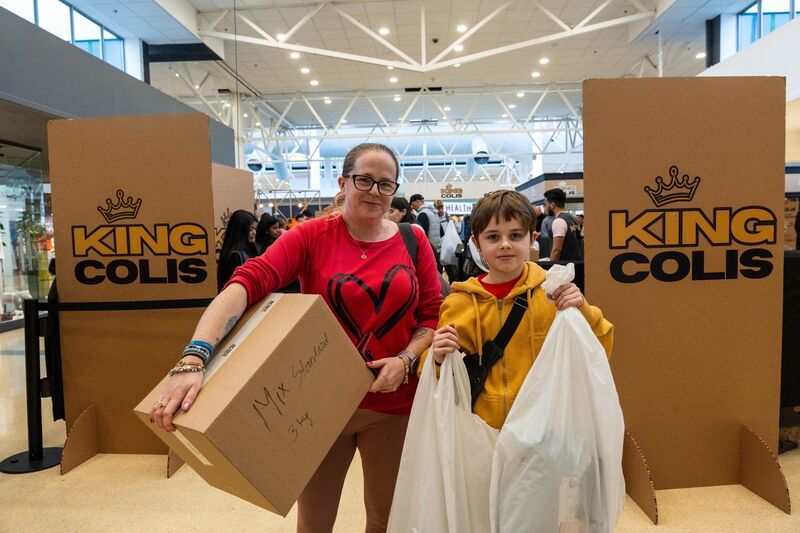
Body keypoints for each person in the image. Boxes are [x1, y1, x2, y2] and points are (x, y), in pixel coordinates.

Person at [150, 143, 443, 533]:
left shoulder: (413, 239)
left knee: (388, 519)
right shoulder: (312, 236)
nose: (374, 191)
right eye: (364, 180)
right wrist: (193, 358)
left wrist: (406, 359)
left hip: (395, 402)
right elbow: (247, 283)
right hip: (321, 407)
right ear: (343, 182)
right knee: (315, 521)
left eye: (385, 184)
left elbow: (431, 315)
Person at [421, 190, 613, 430]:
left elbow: (600, 346)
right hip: (482, 432)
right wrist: (437, 358)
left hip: (546, 431)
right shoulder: (459, 303)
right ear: (476, 243)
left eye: (515, 235)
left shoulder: (553, 292)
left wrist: (582, 308)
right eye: (492, 237)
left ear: (531, 238)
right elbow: (433, 377)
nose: (505, 245)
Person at [216, 210, 257, 292]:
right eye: (250, 229)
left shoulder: (248, 250)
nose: (254, 232)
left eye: (255, 229)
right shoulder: (234, 256)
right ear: (240, 230)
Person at [544, 188, 583, 262]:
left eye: (546, 205)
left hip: (564, 268)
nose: (545, 208)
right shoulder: (573, 219)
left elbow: (557, 250)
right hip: (576, 266)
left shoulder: (559, 221)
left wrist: (550, 268)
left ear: (552, 205)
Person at [416, 198, 443, 272]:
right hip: (437, 248)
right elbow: (441, 232)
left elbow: (423, 234)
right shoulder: (435, 214)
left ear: (417, 202)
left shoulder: (423, 214)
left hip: (429, 248)